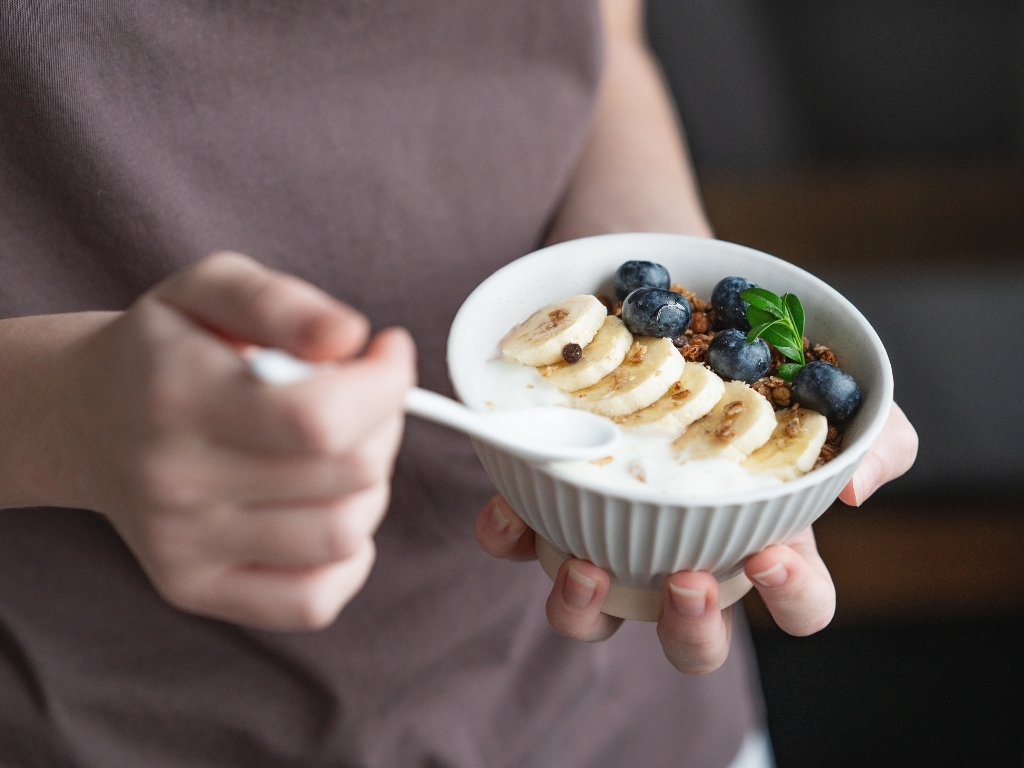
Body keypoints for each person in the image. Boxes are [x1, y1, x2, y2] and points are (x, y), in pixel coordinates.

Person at [0, 1, 917, 765]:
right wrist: (65, 414)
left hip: (617, 723)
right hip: (113, 717)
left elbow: (606, 51)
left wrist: (663, 304)